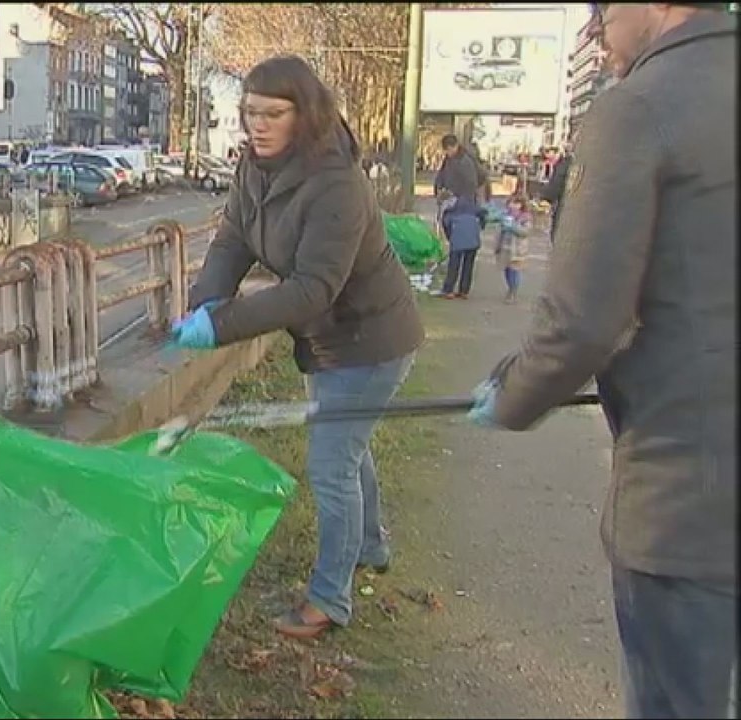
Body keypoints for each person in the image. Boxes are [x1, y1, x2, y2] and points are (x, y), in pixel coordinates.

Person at [468, 4, 736, 718]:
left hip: (691, 499)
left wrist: (512, 395)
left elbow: (584, 320)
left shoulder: (639, 109)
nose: (594, 33)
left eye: (601, 14)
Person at [168, 55, 425, 639]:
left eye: (273, 113)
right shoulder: (254, 167)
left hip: (371, 338)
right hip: (326, 341)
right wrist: (206, 301)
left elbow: (313, 289)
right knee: (348, 448)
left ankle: (330, 600)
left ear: (304, 113)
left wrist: (225, 326)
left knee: (331, 462)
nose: (257, 125)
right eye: (250, 112)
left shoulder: (337, 184)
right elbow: (234, 238)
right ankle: (371, 546)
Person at [491, 195, 530, 303]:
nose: (513, 206)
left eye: (517, 203)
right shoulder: (505, 215)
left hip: (517, 250)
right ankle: (510, 288)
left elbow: (525, 232)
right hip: (505, 249)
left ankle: (513, 292)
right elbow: (498, 230)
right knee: (507, 271)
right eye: (511, 203)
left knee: (514, 271)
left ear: (522, 205)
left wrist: (512, 227)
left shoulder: (525, 218)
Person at [538, 142, 573, 245]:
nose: (548, 159)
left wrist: (545, 197)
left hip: (564, 206)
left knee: (558, 234)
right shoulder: (564, 164)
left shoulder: (562, 166)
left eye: (548, 154)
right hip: (563, 204)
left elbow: (556, 185)